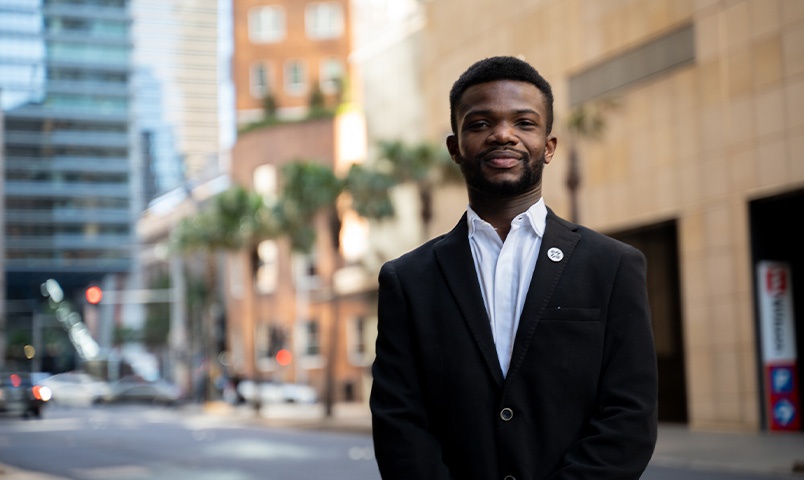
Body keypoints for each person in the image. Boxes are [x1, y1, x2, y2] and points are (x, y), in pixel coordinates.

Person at [370, 56, 658, 480]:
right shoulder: (408, 280)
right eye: (480, 123)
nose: (502, 134)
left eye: (524, 123)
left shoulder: (613, 266)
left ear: (549, 145)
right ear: (455, 147)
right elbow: (399, 423)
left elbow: (629, 415)